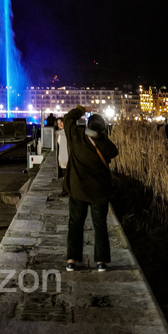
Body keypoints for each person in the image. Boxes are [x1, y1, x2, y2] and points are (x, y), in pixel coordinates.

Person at [62, 107, 118, 272]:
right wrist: (102, 137)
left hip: (77, 189)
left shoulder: (76, 136)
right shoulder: (104, 144)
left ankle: (72, 260)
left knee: (75, 223)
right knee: (99, 225)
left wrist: (80, 109)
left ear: (86, 125)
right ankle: (101, 261)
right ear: (101, 128)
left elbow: (68, 120)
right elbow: (114, 152)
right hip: (99, 192)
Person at [55, 117, 69, 191]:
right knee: (64, 175)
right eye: (58, 123)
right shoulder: (59, 134)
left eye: (61, 122)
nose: (60, 124)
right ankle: (65, 190)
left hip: (67, 157)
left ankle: (65, 190)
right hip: (61, 157)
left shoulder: (68, 133)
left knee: (67, 175)